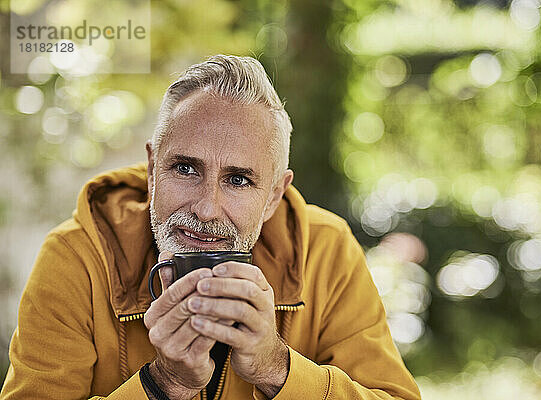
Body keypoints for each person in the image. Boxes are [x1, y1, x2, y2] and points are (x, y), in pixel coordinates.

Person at [0, 55, 421, 400]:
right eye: (185, 168)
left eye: (238, 180)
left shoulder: (326, 250)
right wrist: (164, 383)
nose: (206, 209)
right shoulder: (77, 256)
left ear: (275, 194)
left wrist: (276, 367)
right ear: (152, 170)